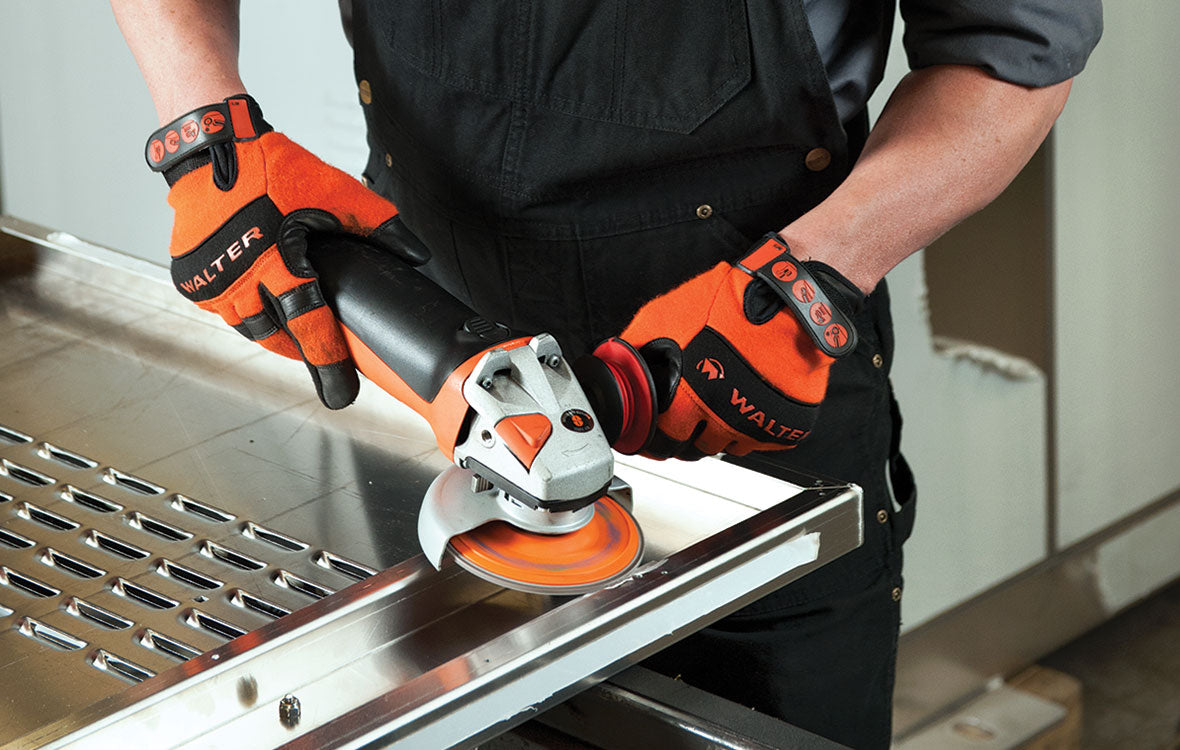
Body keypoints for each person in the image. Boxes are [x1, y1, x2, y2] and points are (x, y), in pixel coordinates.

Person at [110, 1, 1102, 746]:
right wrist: (203, 131)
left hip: (751, 373)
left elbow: (1012, 48)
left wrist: (817, 274)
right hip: (429, 367)